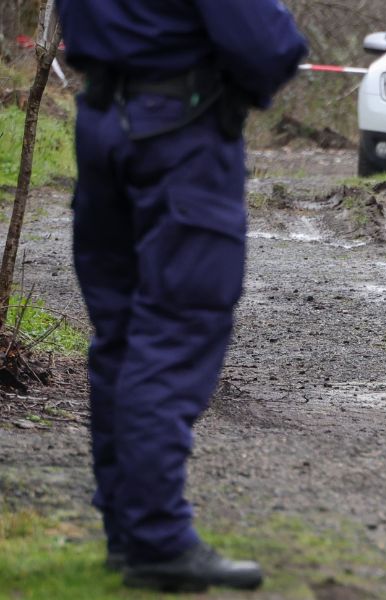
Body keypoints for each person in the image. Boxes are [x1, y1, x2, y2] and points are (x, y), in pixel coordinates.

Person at [56, 0, 308, 592]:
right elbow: (266, 45)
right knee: (172, 333)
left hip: (101, 124)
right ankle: (157, 539)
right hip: (180, 135)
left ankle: (128, 530)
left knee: (120, 339)